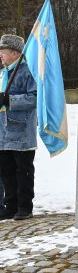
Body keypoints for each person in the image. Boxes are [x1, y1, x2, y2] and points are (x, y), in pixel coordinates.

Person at [0, 34, 37, 221]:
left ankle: (25, 207)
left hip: (21, 132)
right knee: (6, 171)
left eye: (3, 51)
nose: (1, 55)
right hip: (3, 132)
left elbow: (35, 97)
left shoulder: (27, 71)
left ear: (15, 53)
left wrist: (10, 100)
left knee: (23, 172)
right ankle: (11, 205)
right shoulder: (3, 72)